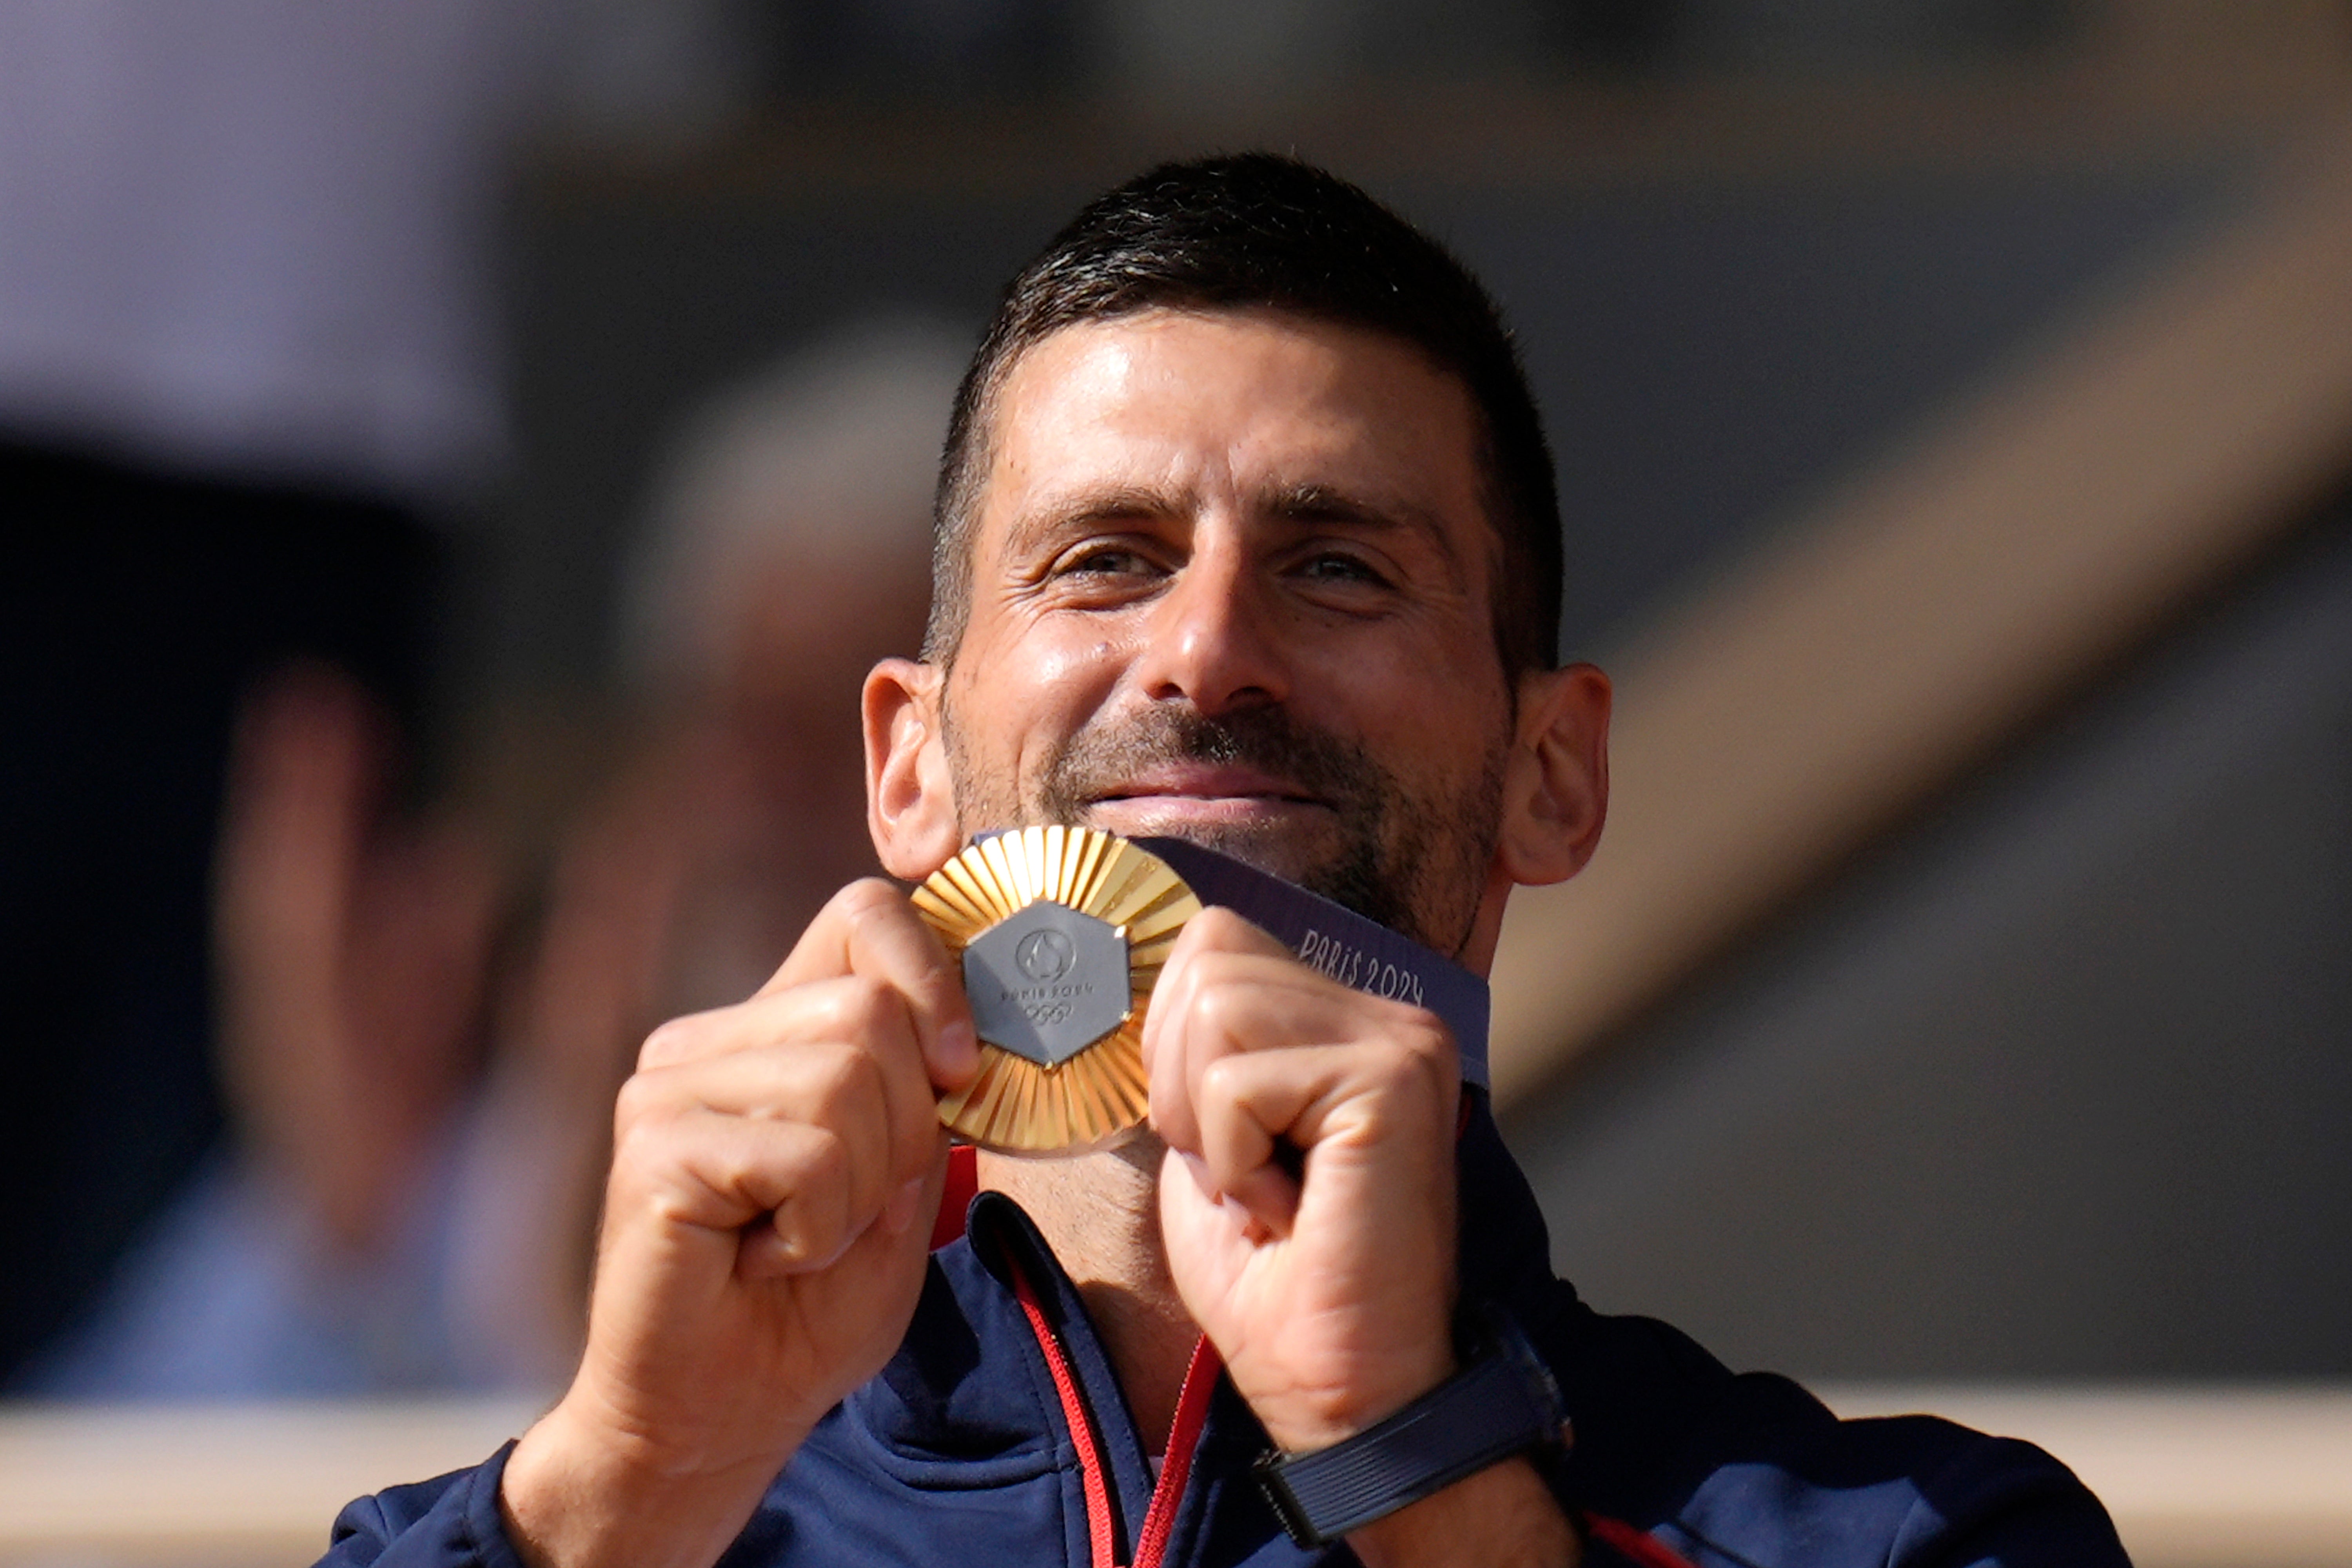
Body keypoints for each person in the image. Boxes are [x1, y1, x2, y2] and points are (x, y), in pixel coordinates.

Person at [321, 156, 2128, 1568]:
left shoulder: (1911, 1542)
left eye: (1338, 564)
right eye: (1105, 557)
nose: (1204, 651)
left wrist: (1415, 1454)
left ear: (1554, 773)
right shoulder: (591, 1530)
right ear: (906, 765)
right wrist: (636, 1482)